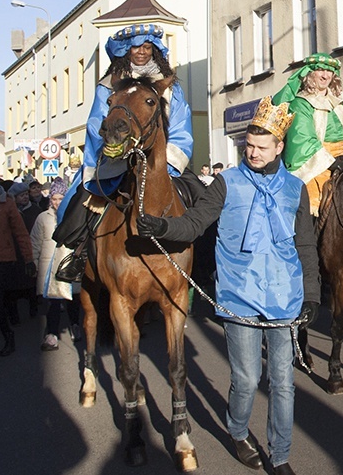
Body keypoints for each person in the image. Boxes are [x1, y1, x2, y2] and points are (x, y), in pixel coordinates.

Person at [136, 96, 320, 475]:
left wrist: (313, 293)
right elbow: (194, 223)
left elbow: (305, 244)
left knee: (284, 383)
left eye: (261, 147)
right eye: (248, 146)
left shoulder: (295, 189)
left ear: (278, 148)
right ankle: (237, 430)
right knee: (248, 378)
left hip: (285, 295)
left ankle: (281, 455)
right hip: (240, 294)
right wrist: (163, 227)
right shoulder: (226, 182)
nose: (252, 153)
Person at [53, 23, 198, 283]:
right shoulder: (109, 85)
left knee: (202, 199)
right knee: (81, 205)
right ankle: (79, 254)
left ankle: (208, 259)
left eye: (147, 46)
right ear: (124, 50)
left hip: (161, 161)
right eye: (135, 46)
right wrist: (115, 154)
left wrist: (168, 163)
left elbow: (180, 125)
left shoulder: (170, 87)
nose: (142, 51)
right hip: (116, 161)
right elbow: (97, 124)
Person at [273, 53, 343, 216]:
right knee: (316, 206)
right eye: (320, 70)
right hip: (317, 163)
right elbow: (303, 139)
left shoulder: (342, 101)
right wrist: (331, 163)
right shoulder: (301, 103)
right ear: (310, 73)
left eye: (330, 71)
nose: (325, 75)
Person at [31, 177, 82, 351]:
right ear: (50, 199)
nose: (57, 202)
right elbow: (35, 243)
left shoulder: (73, 216)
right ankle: (52, 334)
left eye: (61, 199)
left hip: (68, 264)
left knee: (73, 300)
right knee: (53, 303)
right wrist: (34, 263)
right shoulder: (43, 218)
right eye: (54, 199)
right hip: (49, 267)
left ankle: (75, 325)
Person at [0, 184, 36, 356]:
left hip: (3, 259)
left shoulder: (6, 203)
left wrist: (28, 259)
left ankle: (8, 337)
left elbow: (21, 233)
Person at [6, 182, 41, 323]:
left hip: (30, 252)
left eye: (26, 194)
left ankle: (33, 309)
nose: (25, 197)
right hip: (13, 254)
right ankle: (14, 317)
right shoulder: (10, 212)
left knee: (30, 285)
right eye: (21, 195)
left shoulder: (36, 211)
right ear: (14, 197)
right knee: (12, 289)